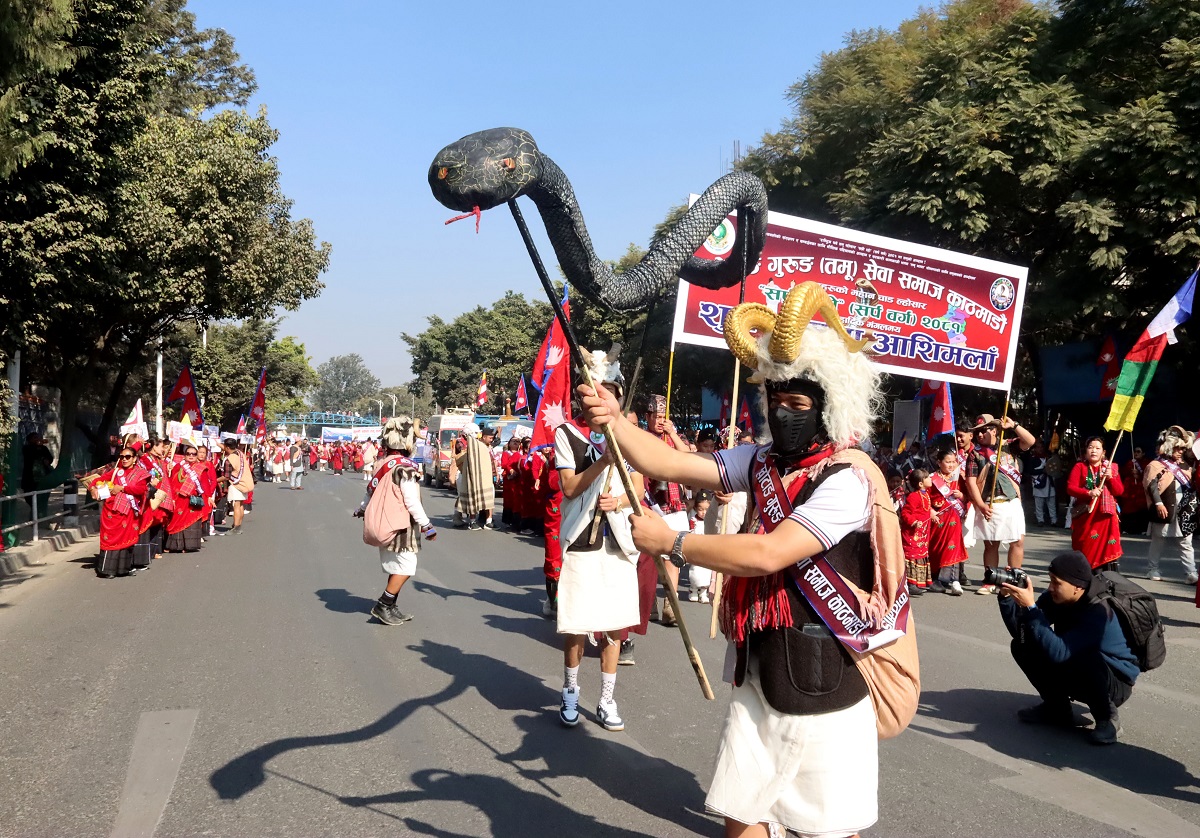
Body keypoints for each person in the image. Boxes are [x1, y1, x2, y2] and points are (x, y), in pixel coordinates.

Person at [578, 282, 915, 838]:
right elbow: (673, 465)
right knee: (742, 819)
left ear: (829, 407)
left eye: (799, 404)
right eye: (775, 402)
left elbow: (768, 552)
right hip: (761, 670)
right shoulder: (760, 461)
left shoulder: (849, 478)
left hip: (823, 677)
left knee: (830, 831)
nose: (783, 415)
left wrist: (675, 544)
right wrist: (616, 421)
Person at [554, 354, 644, 733]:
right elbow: (570, 488)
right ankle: (570, 690)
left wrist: (620, 501)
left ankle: (607, 699)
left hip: (619, 543)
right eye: (598, 392)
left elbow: (638, 487)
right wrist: (605, 461)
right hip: (582, 541)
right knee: (576, 623)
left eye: (611, 393)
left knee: (613, 627)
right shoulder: (568, 435)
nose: (604, 399)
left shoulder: (630, 435)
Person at [998, 550, 1138, 745]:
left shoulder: (1098, 610)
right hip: (1077, 664)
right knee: (1022, 646)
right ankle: (1057, 710)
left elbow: (1061, 653)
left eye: (1057, 582)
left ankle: (1107, 718)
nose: (1050, 587)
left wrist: (1031, 608)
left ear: (1077, 587)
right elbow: (1023, 633)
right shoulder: (1056, 598)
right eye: (1050, 580)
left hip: (1114, 681)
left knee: (1083, 655)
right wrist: (1006, 598)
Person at [355, 417, 436, 625]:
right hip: (400, 526)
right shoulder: (405, 468)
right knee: (406, 567)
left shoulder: (383, 463)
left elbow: (370, 491)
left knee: (397, 567)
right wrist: (426, 525)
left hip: (386, 521)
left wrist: (362, 509)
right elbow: (411, 501)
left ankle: (390, 607)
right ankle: (383, 604)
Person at [964, 413, 1036, 594]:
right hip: (989, 503)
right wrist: (980, 505)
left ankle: (1014, 580)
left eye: (984, 430)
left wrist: (1014, 425)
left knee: (1017, 542)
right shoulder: (975, 454)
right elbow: (971, 481)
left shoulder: (1009, 446)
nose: (980, 435)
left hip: (1010, 501)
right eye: (977, 432)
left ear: (994, 430)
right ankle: (990, 580)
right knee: (991, 545)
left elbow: (1030, 441)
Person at [643, 393, 690, 627]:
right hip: (651, 503)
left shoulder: (673, 437)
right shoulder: (641, 438)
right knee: (651, 558)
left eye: (663, 416)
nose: (660, 420)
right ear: (647, 416)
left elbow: (689, 457)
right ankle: (649, 601)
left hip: (675, 504)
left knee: (674, 556)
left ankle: (670, 605)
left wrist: (672, 433)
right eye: (656, 416)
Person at [1142, 425, 1197, 583]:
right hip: (1164, 507)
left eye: (1182, 448)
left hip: (1183, 510)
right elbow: (1151, 486)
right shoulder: (1156, 465)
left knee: (1186, 542)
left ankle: (1191, 572)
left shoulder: (1186, 466)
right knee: (1158, 540)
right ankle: (1152, 569)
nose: (1180, 451)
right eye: (1177, 448)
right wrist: (1158, 504)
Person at [88, 447, 150, 578]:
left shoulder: (141, 473)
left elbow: (141, 489)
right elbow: (96, 480)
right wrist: (92, 488)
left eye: (128, 457)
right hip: (112, 511)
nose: (125, 459)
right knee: (110, 539)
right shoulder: (116, 472)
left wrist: (122, 488)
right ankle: (107, 570)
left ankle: (123, 569)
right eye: (122, 457)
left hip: (128, 512)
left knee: (126, 540)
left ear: (134, 459)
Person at [1066, 437, 1124, 572]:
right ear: (1086, 451)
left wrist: (1111, 478)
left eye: (1097, 448)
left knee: (1107, 549)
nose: (1094, 451)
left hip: (1106, 518)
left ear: (1103, 452)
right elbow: (1070, 488)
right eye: (1090, 447)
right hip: (1086, 516)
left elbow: (1119, 491)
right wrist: (1088, 493)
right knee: (1085, 548)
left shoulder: (1111, 468)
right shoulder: (1080, 467)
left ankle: (1107, 577)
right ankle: (1084, 576)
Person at [929, 448, 967, 595]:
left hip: (954, 519)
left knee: (953, 546)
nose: (951, 465)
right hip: (938, 520)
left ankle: (952, 579)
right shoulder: (932, 479)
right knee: (937, 548)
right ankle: (935, 576)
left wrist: (962, 495)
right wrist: (931, 511)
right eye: (947, 462)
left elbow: (968, 496)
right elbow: (924, 498)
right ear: (939, 462)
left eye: (953, 462)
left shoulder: (959, 478)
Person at [164, 444, 208, 553]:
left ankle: (189, 545)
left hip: (191, 500)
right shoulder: (178, 467)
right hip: (178, 499)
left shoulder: (201, 468)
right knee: (177, 520)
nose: (191, 456)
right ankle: (177, 546)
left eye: (194, 454)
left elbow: (204, 486)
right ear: (185, 455)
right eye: (189, 454)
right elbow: (171, 481)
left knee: (190, 522)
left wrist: (192, 492)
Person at [454, 423, 496, 530]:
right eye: (474, 433)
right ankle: (467, 520)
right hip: (466, 474)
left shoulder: (481, 445)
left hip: (482, 475)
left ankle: (488, 521)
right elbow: (460, 455)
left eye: (477, 432)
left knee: (488, 495)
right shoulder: (461, 442)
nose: (476, 434)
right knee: (468, 496)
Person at [900, 468, 934, 596]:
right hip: (913, 533)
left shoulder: (926, 494)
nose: (930, 479)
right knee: (912, 556)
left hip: (923, 533)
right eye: (928, 478)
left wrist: (932, 516)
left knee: (921, 554)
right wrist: (914, 522)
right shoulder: (914, 496)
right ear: (920, 483)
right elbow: (905, 513)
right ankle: (910, 583)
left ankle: (922, 582)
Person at [220, 438, 253, 535]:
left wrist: (214, 480)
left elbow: (226, 476)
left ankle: (236, 527)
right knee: (241, 504)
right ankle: (238, 525)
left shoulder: (229, 459)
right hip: (245, 482)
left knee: (236, 505)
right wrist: (217, 443)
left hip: (237, 483)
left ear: (227, 447)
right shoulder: (240, 453)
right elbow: (225, 447)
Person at [1119, 446, 1150, 535]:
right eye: (1135, 451)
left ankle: (1142, 529)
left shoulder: (1147, 463)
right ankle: (1127, 528)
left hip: (1140, 490)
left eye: (1138, 452)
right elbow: (1123, 473)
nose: (1136, 453)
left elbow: (1148, 476)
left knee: (1141, 510)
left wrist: (1140, 475)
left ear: (1143, 453)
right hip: (1130, 490)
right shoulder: (1130, 462)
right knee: (1128, 509)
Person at [20, 432, 54, 509]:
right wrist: (38, 447)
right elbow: (31, 455)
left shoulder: (43, 448)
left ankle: (39, 513)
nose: (37, 439)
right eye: (35, 438)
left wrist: (47, 460)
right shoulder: (26, 448)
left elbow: (50, 458)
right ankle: (34, 513)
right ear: (29, 440)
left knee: (42, 495)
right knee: (29, 497)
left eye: (38, 437)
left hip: (43, 476)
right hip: (30, 478)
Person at [1028, 440, 1057, 527]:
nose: (1040, 449)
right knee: (1039, 504)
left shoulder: (1048, 458)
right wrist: (1043, 471)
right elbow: (1031, 471)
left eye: (1041, 447)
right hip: (1038, 482)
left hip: (1049, 483)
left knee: (1051, 504)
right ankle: (1040, 520)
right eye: (1038, 447)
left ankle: (1054, 520)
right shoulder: (1033, 459)